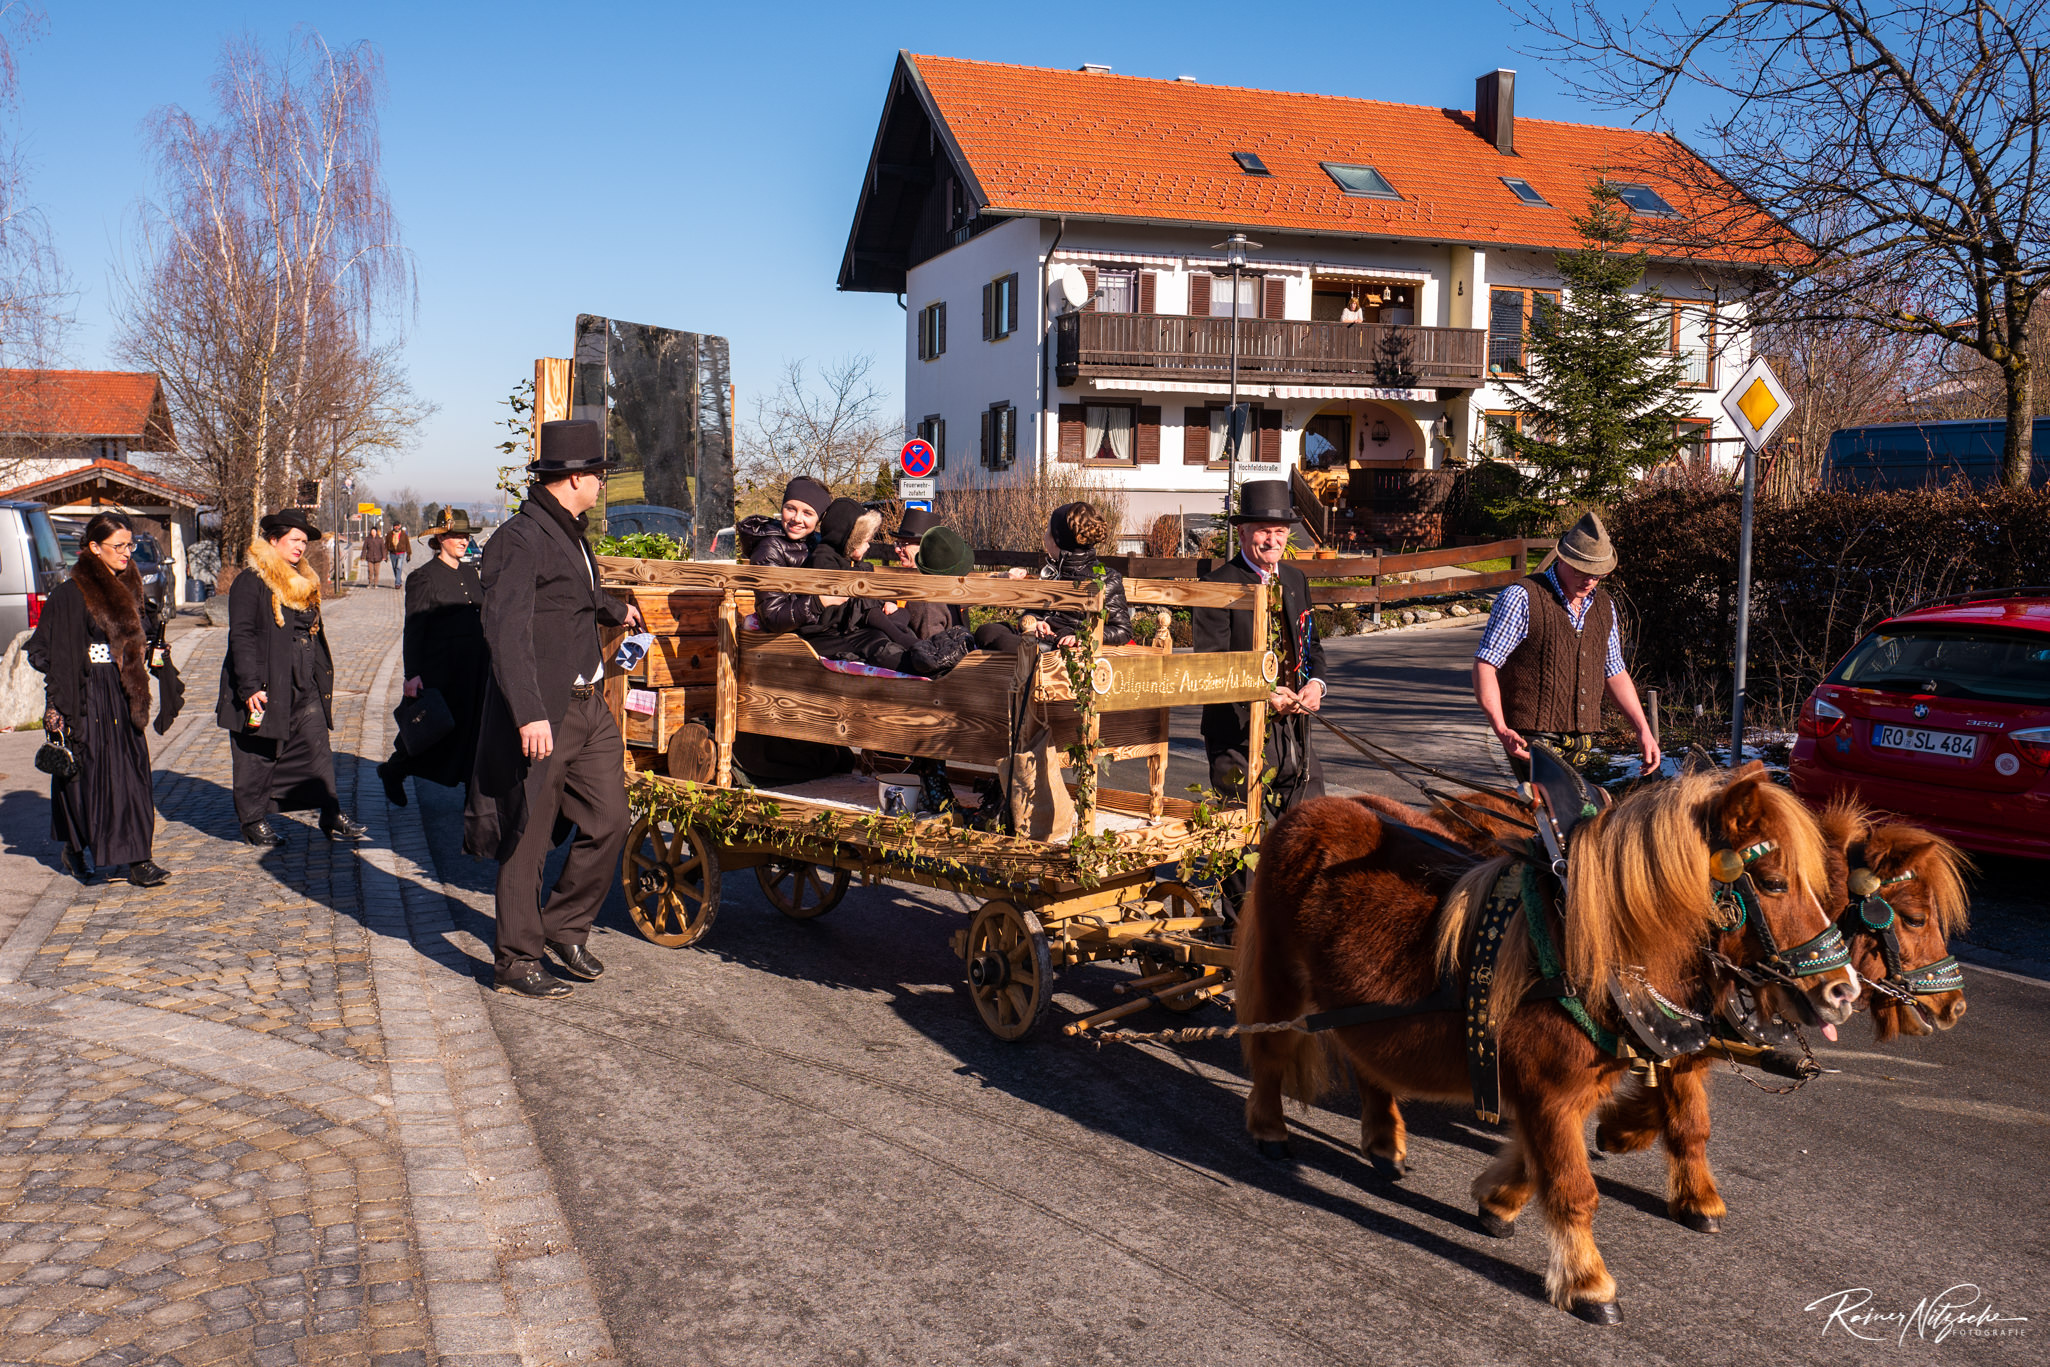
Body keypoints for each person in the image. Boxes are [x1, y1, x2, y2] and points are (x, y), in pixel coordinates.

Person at [465, 419, 644, 1000]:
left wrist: (613, 608)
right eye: (599, 475)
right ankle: (516, 959)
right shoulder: (518, 539)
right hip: (544, 711)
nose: (603, 484)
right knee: (529, 835)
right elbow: (506, 628)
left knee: (610, 819)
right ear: (573, 479)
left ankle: (564, 927)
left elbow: (571, 595)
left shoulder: (568, 530)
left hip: (589, 706)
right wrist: (528, 712)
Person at [27, 512, 181, 886]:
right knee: (86, 775)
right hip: (85, 694)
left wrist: (152, 651)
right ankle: (76, 848)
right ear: (95, 548)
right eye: (119, 546)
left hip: (122, 690)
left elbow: (142, 634)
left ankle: (138, 859)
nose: (127, 552)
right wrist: (72, 671)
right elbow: (41, 650)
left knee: (131, 773)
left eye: (130, 545)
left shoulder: (130, 588)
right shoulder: (70, 595)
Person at [218, 509, 371, 847]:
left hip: (304, 680)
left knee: (317, 747)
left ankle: (330, 811)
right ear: (274, 540)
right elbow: (241, 635)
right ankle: (253, 820)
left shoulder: (303, 581)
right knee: (257, 753)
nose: (301, 546)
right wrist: (249, 686)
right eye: (295, 540)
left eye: (304, 541)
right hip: (267, 681)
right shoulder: (252, 580)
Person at [1472, 509, 1660, 782]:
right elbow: (1486, 664)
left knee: (1577, 806)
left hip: (1582, 739)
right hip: (1531, 735)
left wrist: (1643, 730)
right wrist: (1500, 727)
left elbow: (1614, 671)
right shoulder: (1522, 597)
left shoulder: (1604, 606)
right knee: (1548, 805)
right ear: (1561, 558)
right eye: (1581, 570)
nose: (1589, 580)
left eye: (1598, 574)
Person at [1190, 481, 1327, 822]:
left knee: (1313, 830)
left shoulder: (1295, 580)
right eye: (1264, 530)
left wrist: (1316, 685)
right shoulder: (1217, 586)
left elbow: (1311, 645)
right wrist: (1265, 694)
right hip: (1236, 734)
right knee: (1243, 839)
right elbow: (1213, 665)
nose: (1273, 540)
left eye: (1280, 531)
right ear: (1242, 533)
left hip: (1294, 732)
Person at [378, 509, 489, 808]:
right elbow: (414, 628)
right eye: (456, 536)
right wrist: (412, 674)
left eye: (466, 536)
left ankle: (473, 805)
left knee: (473, 734)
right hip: (441, 671)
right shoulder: (423, 578)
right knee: (431, 731)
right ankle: (394, 770)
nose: (463, 541)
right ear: (440, 538)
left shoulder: (470, 573)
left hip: (475, 669)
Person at [795, 498, 970, 676]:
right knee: (879, 645)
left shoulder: (848, 562)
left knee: (889, 630)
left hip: (848, 628)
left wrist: (885, 605)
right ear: (848, 539)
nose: (868, 546)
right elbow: (851, 604)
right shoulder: (826, 562)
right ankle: (926, 663)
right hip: (831, 632)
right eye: (864, 540)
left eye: (904, 544)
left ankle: (927, 656)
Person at [975, 501, 1134, 653]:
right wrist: (1036, 622)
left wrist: (1080, 637)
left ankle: (1033, 657)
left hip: (1065, 649)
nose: (1045, 537)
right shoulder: (1052, 573)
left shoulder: (1105, 578)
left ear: (1057, 541)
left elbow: (1123, 630)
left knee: (1002, 642)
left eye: (1048, 531)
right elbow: (1032, 612)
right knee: (988, 631)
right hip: (1042, 639)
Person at [749, 476, 830, 631]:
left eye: (807, 513)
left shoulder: (820, 542)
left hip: (819, 626)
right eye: (791, 508)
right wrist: (818, 603)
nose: (797, 518)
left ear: (819, 519)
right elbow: (772, 616)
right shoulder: (770, 547)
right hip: (789, 632)